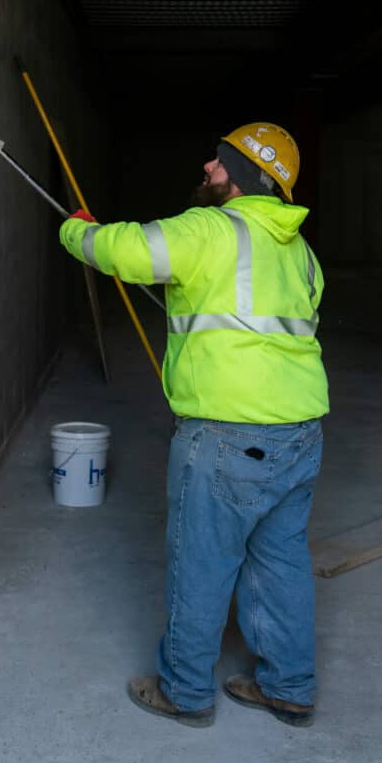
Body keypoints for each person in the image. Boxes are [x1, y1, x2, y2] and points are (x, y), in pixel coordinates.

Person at [59, 122, 329, 729]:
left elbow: (125, 252)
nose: (207, 168)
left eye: (219, 161)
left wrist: (78, 230)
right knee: (279, 562)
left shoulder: (210, 227)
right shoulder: (301, 253)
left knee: (202, 564)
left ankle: (184, 692)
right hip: (301, 433)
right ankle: (288, 687)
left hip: (226, 436)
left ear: (242, 177)